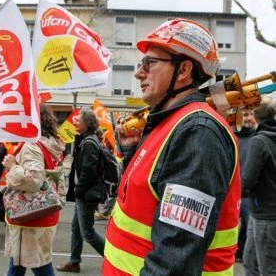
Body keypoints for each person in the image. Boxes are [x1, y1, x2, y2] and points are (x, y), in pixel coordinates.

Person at [102, 18, 241, 275]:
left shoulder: (197, 132)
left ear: (184, 70)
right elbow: (145, 197)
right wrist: (132, 153)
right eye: (141, 63)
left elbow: (176, 259)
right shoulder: (169, 123)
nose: (138, 72)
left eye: (150, 63)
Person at [2, 104, 65, 276]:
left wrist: (12, 166)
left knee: (38, 265)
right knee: (22, 264)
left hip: (29, 215)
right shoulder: (51, 144)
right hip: (43, 212)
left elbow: (33, 180)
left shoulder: (31, 145)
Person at [56, 109, 106, 273]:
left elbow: (89, 171)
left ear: (87, 123)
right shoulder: (87, 140)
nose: (75, 122)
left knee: (88, 233)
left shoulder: (89, 142)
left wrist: (79, 190)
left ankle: (114, 258)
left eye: (78, 120)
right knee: (76, 228)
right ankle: (74, 262)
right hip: (84, 192)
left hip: (86, 193)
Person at [242, 102, 276, 276]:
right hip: (263, 213)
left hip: (265, 214)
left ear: (255, 118)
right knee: (250, 262)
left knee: (267, 269)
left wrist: (231, 193)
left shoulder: (259, 141)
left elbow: (247, 180)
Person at [234, 107, 256, 262]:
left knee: (248, 225)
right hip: (231, 194)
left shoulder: (258, 138)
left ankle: (241, 254)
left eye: (252, 114)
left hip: (248, 194)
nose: (249, 118)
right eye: (246, 114)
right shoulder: (230, 136)